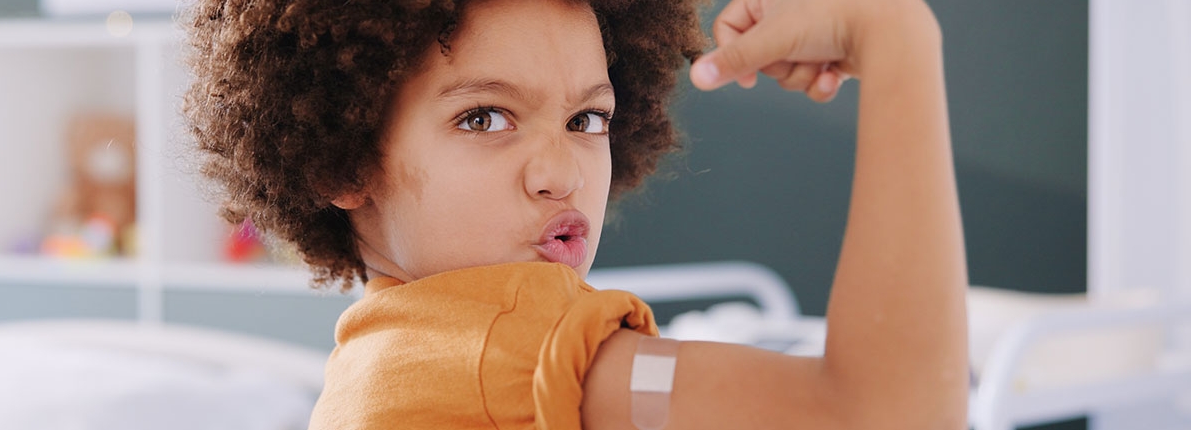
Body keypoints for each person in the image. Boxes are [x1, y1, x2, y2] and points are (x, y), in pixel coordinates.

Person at [181, 0, 967, 428]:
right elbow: (886, 415)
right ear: (344, 160)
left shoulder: (394, 356)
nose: (560, 173)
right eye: (485, 118)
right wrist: (898, 37)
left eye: (586, 120)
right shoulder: (504, 344)